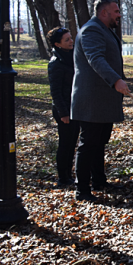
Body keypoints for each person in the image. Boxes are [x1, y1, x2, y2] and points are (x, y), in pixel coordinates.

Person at [71, 0, 130, 202]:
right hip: (92, 100)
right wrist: (115, 80)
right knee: (88, 144)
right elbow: (95, 58)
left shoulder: (103, 29)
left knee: (100, 142)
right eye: (116, 11)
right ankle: (82, 190)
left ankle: (98, 180)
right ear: (104, 12)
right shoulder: (91, 30)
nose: (119, 15)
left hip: (103, 101)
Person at [47, 27, 78, 188]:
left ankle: (69, 174)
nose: (71, 41)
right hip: (64, 110)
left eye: (71, 38)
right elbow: (56, 92)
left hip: (75, 107)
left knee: (72, 143)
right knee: (65, 144)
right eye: (67, 40)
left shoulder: (72, 57)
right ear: (58, 44)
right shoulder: (55, 63)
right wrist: (63, 113)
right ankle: (63, 177)